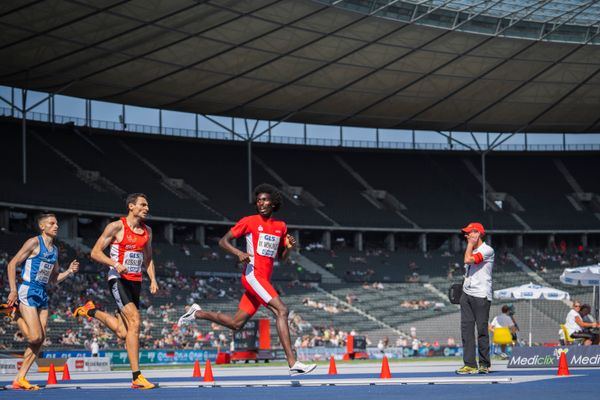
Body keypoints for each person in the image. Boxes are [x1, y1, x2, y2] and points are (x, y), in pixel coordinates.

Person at [177, 184, 316, 376]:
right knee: (282, 310)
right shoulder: (249, 221)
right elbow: (223, 241)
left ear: (274, 202)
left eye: (265, 199)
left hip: (263, 280)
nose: (261, 203)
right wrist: (238, 253)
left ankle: (197, 313)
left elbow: (281, 258)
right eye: (258, 200)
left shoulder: (281, 227)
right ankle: (293, 363)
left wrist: (289, 248)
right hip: (253, 276)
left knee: (236, 323)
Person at [73, 194, 159, 389]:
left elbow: (149, 259)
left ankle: (90, 310)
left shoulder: (148, 231)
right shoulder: (116, 227)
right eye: (143, 204)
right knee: (136, 321)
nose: (147, 208)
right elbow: (95, 252)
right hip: (117, 279)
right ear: (131, 206)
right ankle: (137, 376)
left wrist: (153, 279)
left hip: (135, 282)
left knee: (122, 332)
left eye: (147, 205)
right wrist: (115, 264)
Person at [4, 213, 79, 390]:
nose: (56, 226)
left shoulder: (54, 250)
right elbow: (12, 264)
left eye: (57, 223)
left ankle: (19, 379)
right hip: (28, 289)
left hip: (42, 293)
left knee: (40, 340)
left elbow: (54, 279)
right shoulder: (34, 242)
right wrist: (13, 290)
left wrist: (68, 272)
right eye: (52, 223)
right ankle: (14, 315)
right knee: (35, 336)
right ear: (42, 227)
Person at [456, 222, 494, 375]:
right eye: (466, 233)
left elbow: (467, 260)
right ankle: (470, 364)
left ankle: (484, 364)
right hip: (467, 294)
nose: (467, 236)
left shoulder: (487, 250)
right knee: (466, 330)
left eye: (470, 233)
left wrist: (470, 245)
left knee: (482, 330)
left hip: (481, 295)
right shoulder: (473, 248)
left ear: (478, 233)